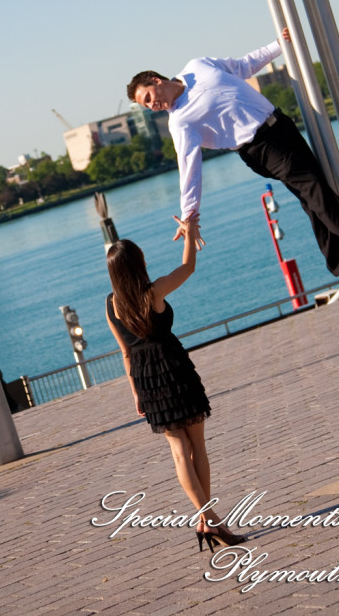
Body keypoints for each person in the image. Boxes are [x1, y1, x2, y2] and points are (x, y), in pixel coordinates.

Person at [126, 30, 339, 288]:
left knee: (313, 199)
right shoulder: (180, 122)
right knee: (316, 191)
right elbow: (189, 168)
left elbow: (244, 66)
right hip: (260, 149)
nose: (152, 106)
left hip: (281, 126)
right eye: (146, 105)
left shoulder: (197, 66)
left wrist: (278, 44)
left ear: (156, 80)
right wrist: (189, 215)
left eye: (149, 97)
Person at [105, 218, 244, 552]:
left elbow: (125, 353)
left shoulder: (111, 305)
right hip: (174, 368)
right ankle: (211, 521)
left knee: (179, 452)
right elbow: (189, 266)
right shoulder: (154, 291)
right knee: (198, 446)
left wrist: (136, 392)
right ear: (136, 265)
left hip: (146, 379)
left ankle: (205, 519)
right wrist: (191, 233)